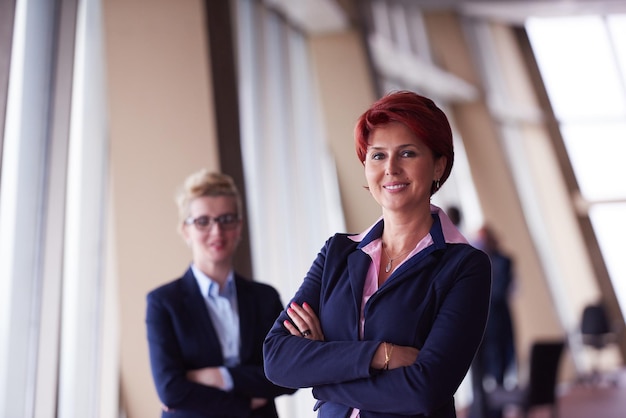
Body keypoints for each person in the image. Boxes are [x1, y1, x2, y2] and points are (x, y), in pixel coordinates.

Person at [263, 91, 492, 417]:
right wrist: (381, 355)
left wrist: (322, 374)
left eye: (408, 153)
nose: (391, 168)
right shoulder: (337, 254)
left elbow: (424, 390)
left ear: (439, 164)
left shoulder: (464, 266)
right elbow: (277, 359)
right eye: (378, 156)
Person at [146, 170, 296, 417]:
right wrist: (244, 403)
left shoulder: (264, 298)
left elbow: (287, 374)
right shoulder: (163, 303)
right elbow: (171, 390)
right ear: (186, 230)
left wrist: (219, 377)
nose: (216, 231)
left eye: (226, 219)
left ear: (238, 226)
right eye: (203, 221)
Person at [469, 225, 516, 418]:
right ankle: (479, 411)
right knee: (477, 372)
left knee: (499, 368)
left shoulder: (504, 260)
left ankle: (497, 412)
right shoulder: (473, 262)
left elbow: (498, 292)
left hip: (498, 322)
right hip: (477, 324)